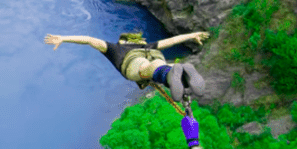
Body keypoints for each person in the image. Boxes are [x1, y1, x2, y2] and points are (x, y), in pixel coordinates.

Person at [44, 31, 209, 101]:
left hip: (132, 63)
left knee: (147, 67)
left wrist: (64, 38)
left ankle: (172, 75)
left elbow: (89, 40)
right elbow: (173, 40)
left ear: (122, 41)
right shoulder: (148, 45)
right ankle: (177, 72)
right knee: (159, 63)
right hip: (154, 56)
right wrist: (192, 35)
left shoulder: (115, 48)